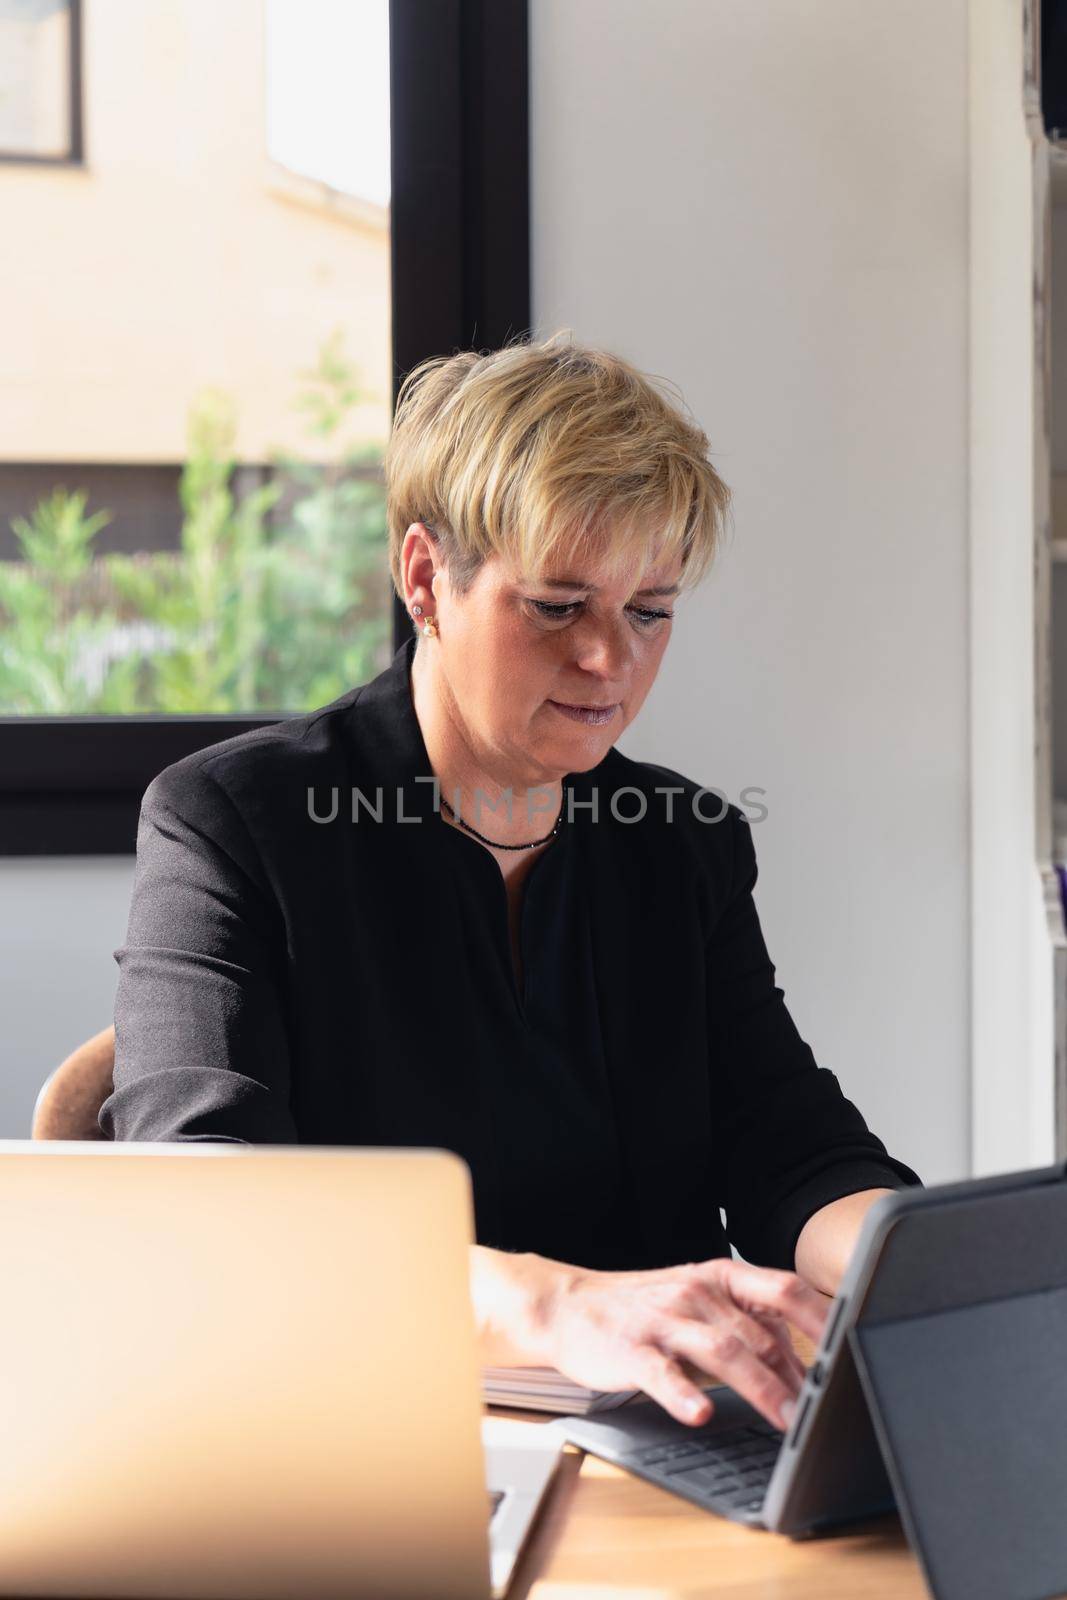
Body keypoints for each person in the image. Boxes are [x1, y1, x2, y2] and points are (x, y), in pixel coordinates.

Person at [101, 331, 921, 1433]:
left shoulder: (685, 846)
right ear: (427, 579)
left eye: (648, 609)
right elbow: (207, 1203)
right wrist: (557, 1301)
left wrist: (911, 1267)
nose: (609, 661)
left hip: (656, 1431)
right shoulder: (232, 825)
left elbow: (789, 1148)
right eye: (555, 605)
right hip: (352, 1433)